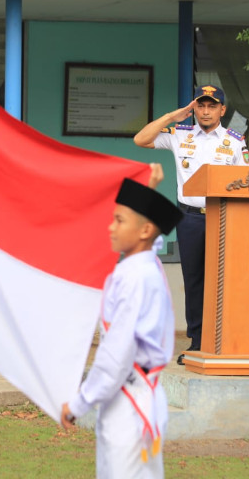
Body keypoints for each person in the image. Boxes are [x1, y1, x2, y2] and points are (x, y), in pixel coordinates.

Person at [61, 163, 181, 479]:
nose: (111, 228)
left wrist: (79, 404)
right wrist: (148, 192)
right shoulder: (144, 264)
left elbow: (116, 355)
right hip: (135, 398)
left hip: (129, 403)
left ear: (144, 231)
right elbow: (152, 235)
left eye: (119, 220)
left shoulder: (135, 278)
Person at [133, 85, 249, 364]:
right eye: (201, 106)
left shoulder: (235, 141)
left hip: (224, 217)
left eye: (212, 106)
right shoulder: (180, 134)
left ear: (222, 110)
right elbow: (141, 139)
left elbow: (248, 181)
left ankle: (225, 342)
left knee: (224, 281)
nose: (206, 111)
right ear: (194, 108)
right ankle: (197, 343)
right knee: (194, 281)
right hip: (189, 218)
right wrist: (172, 116)